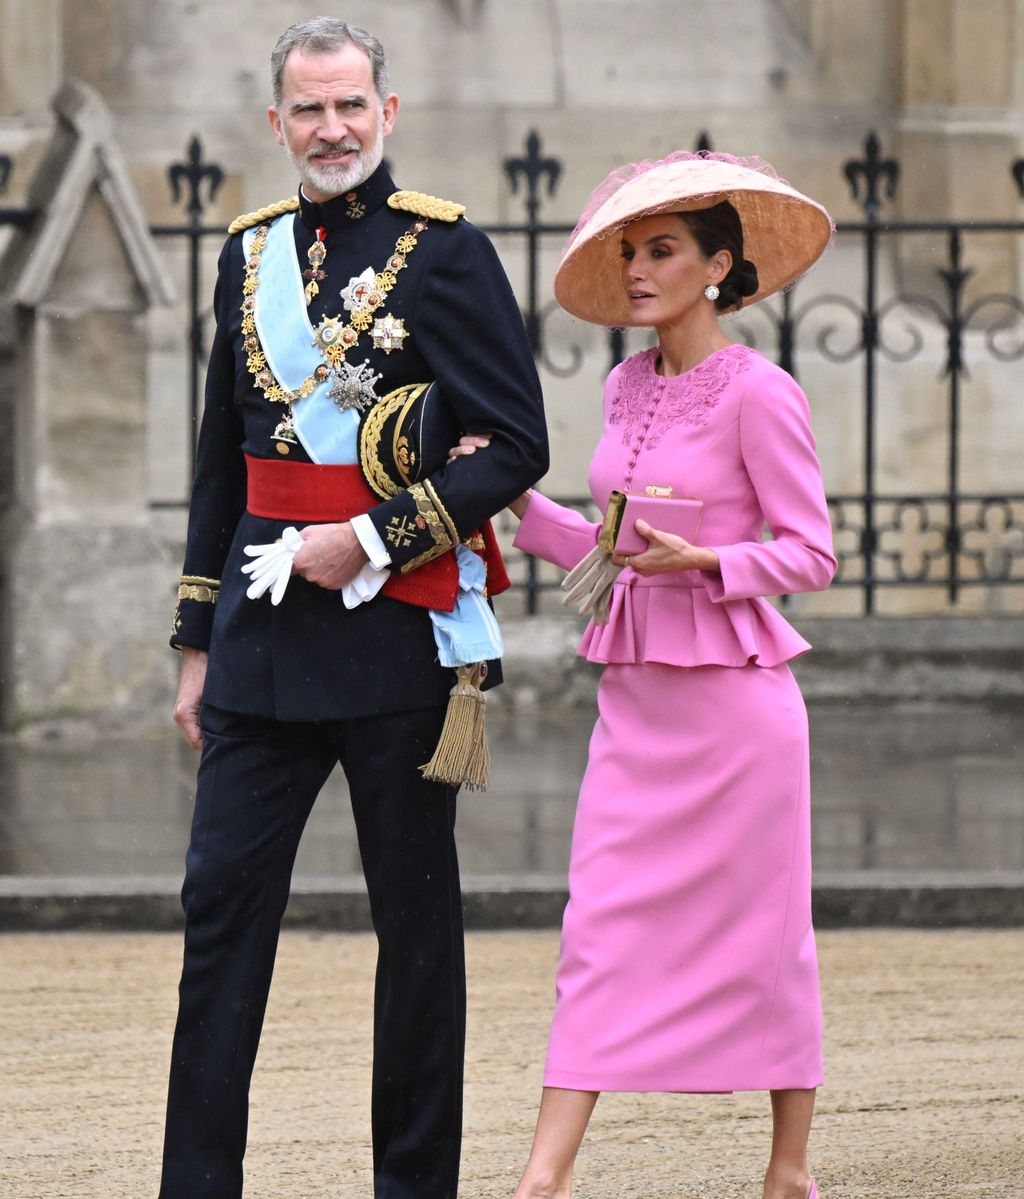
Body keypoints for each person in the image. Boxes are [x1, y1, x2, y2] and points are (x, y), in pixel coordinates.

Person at [159, 17, 547, 1199]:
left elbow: (517, 444)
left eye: (351, 106)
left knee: (416, 938)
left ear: (388, 112)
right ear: (277, 122)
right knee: (219, 919)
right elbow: (223, 463)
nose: (332, 129)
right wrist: (193, 642)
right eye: (308, 110)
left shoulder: (447, 252)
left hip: (395, 641)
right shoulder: (246, 254)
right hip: (261, 649)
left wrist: (373, 534)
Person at [455, 151, 835, 1199]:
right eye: (628, 250)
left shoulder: (762, 393)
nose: (635, 268)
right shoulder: (625, 385)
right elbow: (608, 544)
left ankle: (789, 1166)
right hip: (637, 704)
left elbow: (810, 552)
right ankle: (542, 1177)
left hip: (738, 711)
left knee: (767, 933)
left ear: (717, 265)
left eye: (659, 250)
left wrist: (710, 559)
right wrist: (506, 501)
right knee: (601, 926)